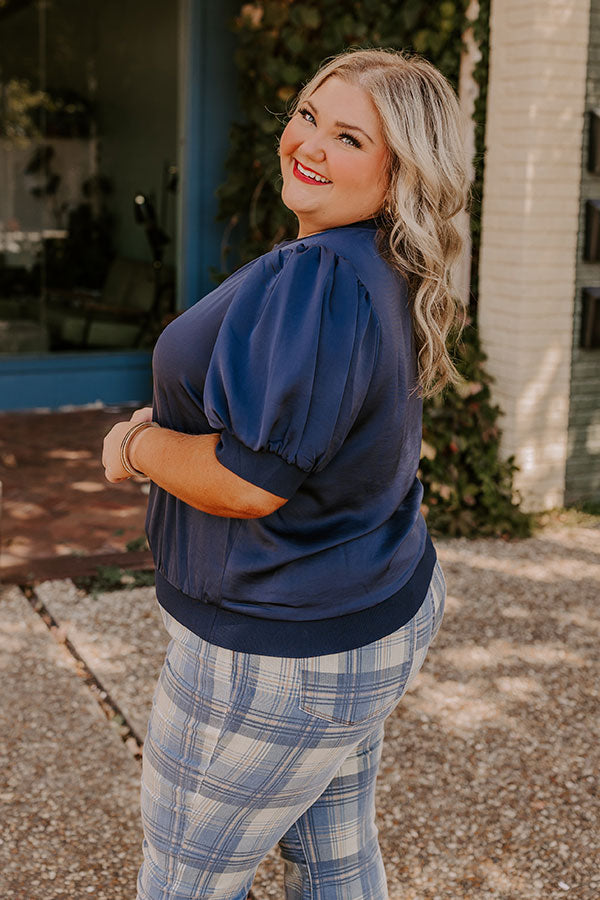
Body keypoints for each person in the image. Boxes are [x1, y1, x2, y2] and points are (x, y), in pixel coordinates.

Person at [102, 47, 470, 900]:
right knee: (334, 861)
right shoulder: (379, 260)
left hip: (277, 649)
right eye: (309, 115)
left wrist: (138, 446)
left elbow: (248, 481)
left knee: (181, 884)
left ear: (398, 170)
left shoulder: (324, 277)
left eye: (348, 137)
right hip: (363, 613)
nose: (307, 144)